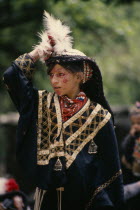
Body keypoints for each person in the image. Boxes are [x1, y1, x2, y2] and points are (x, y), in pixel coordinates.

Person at [3, 11, 124, 210]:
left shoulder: (100, 117)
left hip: (84, 203)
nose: (54, 81)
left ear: (81, 76)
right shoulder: (41, 103)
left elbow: (110, 171)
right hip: (45, 201)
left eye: (61, 74)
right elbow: (13, 77)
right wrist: (37, 53)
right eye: (51, 75)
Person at [121, 101, 140, 210]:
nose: (136, 127)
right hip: (132, 174)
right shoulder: (132, 137)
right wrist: (131, 137)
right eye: (133, 124)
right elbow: (125, 150)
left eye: (139, 123)